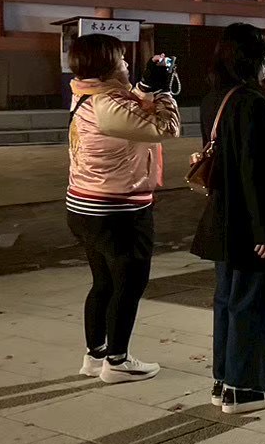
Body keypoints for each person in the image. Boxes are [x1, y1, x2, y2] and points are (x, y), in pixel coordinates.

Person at [191, 23, 265, 414]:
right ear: (252, 61)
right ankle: (246, 389)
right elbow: (257, 172)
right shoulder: (252, 104)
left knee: (228, 300)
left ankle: (224, 380)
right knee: (255, 304)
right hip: (250, 225)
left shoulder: (214, 99)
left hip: (223, 217)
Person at [66, 33, 180, 383]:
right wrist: (164, 92)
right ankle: (117, 361)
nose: (127, 63)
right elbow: (166, 128)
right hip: (118, 209)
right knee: (128, 284)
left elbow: (127, 110)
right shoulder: (108, 104)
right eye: (121, 58)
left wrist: (145, 87)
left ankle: (95, 355)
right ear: (107, 65)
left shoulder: (87, 94)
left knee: (103, 283)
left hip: (86, 206)